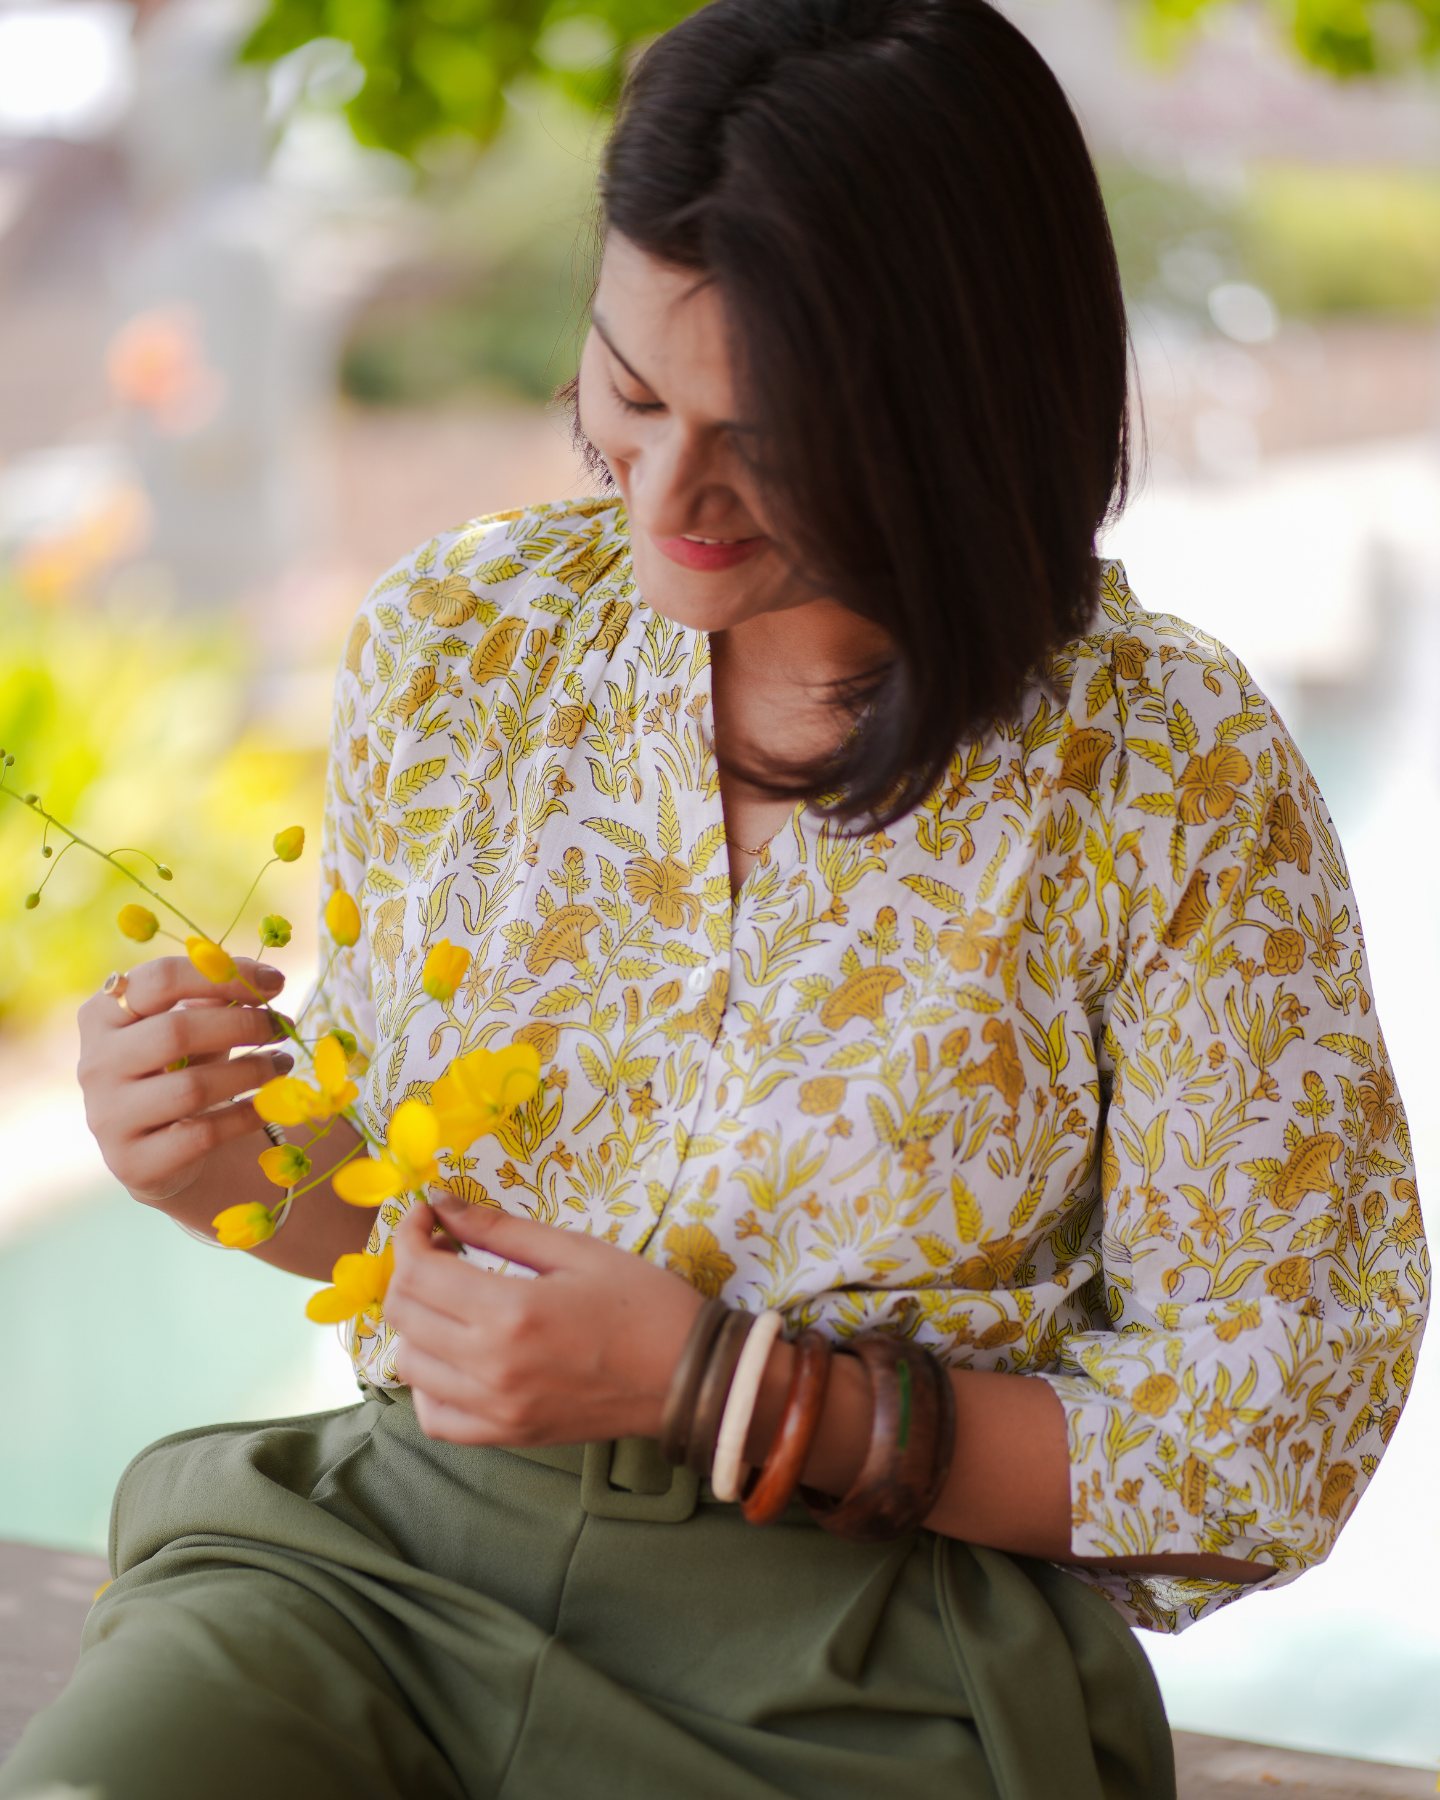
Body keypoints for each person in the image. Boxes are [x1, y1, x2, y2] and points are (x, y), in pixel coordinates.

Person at [4, 2, 1423, 1796]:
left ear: (963, 402)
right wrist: (226, 1165)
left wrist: (722, 1393)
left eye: (768, 433)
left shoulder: (1169, 773)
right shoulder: (465, 640)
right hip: (381, 1582)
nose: (665, 497)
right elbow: (407, 1244)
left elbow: (1266, 1440)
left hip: (870, 1667)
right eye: (633, 389)